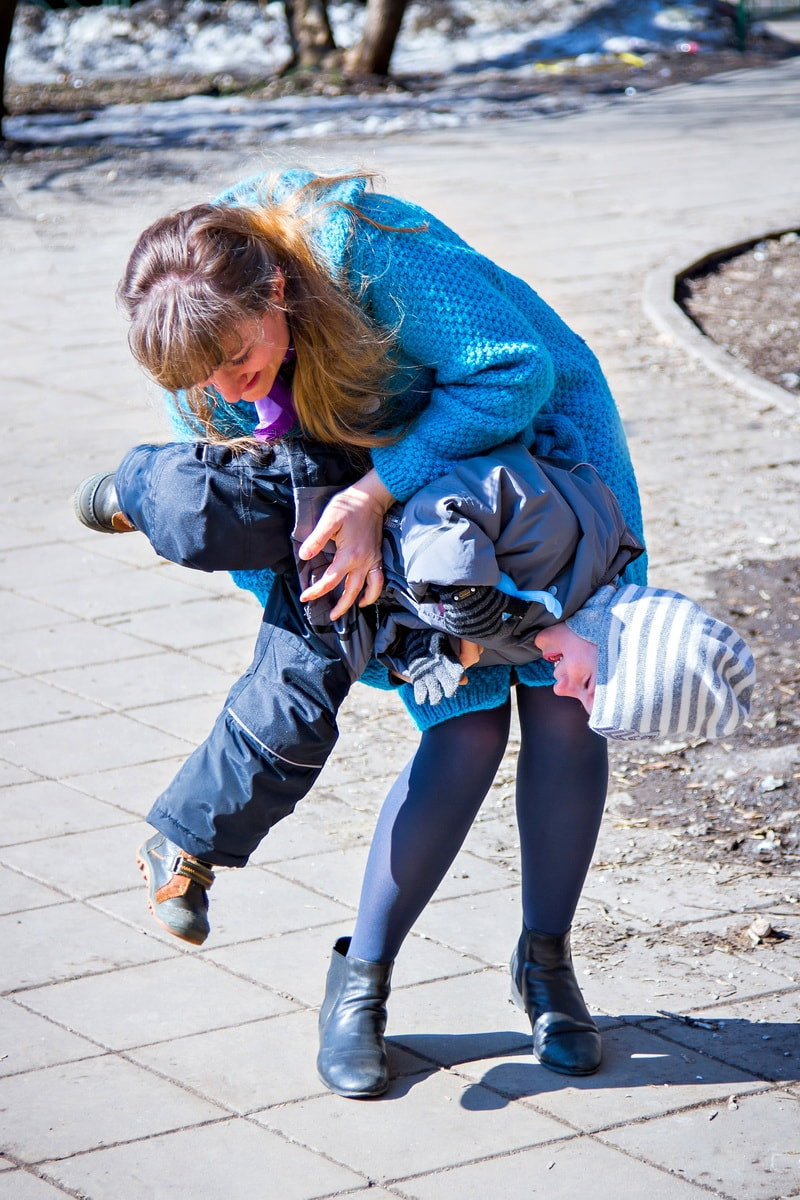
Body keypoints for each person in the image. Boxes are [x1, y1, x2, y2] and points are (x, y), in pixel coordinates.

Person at [81, 167, 655, 1096]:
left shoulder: (360, 250)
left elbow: (513, 371)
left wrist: (374, 493)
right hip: (407, 524)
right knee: (465, 728)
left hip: (542, 468)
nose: (226, 387)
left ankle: (546, 965)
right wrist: (367, 596)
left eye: (238, 357)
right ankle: (361, 985)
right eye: (201, 377)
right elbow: (267, 530)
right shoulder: (201, 365)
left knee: (566, 708)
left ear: (275, 288)